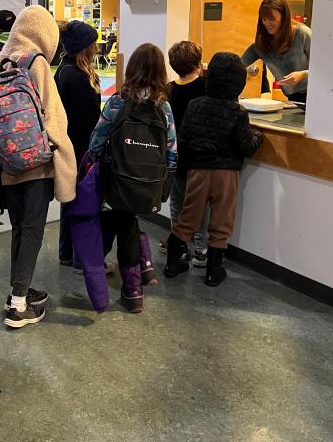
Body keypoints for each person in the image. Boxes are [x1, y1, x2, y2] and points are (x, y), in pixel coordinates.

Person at [0, 5, 77, 329]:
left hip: (8, 162)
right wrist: (61, 153)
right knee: (34, 229)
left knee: (20, 227)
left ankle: (17, 291)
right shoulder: (36, 62)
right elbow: (54, 115)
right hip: (36, 163)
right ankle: (19, 305)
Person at [89, 43, 177, 313]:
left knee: (121, 225)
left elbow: (97, 141)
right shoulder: (164, 108)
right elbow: (172, 151)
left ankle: (132, 289)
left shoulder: (118, 102)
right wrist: (164, 186)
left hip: (118, 181)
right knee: (128, 221)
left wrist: (93, 162)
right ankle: (145, 268)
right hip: (149, 185)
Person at [163, 53, 262, 286]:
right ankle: (213, 271)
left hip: (197, 171)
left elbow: (184, 138)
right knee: (221, 221)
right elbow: (246, 146)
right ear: (239, 82)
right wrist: (258, 137)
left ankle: (172, 264)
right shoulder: (238, 111)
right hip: (226, 174)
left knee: (187, 218)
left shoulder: (195, 104)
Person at [54, 20, 101, 268]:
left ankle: (66, 253)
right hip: (81, 148)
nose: (97, 48)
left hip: (69, 145)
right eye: (94, 44)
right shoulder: (78, 77)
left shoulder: (63, 70)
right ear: (86, 48)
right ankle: (81, 258)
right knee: (83, 203)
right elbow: (90, 119)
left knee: (70, 200)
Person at [159, 41, 208, 266]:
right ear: (198, 63)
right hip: (199, 156)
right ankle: (200, 248)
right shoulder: (206, 87)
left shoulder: (168, 90)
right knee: (198, 204)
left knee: (177, 201)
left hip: (174, 155)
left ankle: (177, 242)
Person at [241, 0, 311, 104]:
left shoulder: (302, 34)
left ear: (284, 16)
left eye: (272, 19)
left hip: (315, 95)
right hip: (292, 99)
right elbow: (239, 64)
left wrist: (303, 74)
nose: (267, 24)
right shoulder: (262, 44)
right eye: (264, 19)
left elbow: (324, 69)